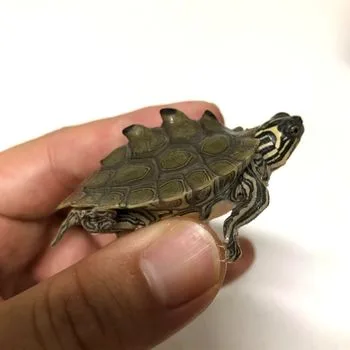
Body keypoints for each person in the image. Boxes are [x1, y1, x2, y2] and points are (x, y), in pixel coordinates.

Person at [0, 101, 253, 349]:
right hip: (147, 190)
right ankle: (96, 213)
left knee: (134, 221)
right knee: (126, 219)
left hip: (158, 197)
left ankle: (97, 213)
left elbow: (242, 207)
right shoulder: (246, 174)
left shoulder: (249, 175)